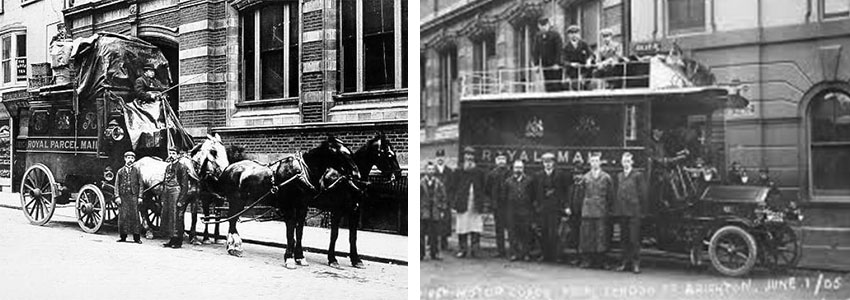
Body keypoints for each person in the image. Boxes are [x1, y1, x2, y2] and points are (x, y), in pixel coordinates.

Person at [531, 152, 571, 262]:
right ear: (543, 163)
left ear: (553, 163)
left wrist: (566, 206)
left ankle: (555, 255)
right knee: (543, 232)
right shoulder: (537, 176)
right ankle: (544, 254)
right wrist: (536, 206)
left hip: (556, 208)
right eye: (545, 162)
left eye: (550, 162)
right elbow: (534, 193)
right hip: (543, 209)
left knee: (554, 233)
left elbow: (564, 192)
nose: (548, 164)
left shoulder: (560, 175)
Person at [577, 153, 614, 269]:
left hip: (601, 210)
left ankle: (601, 261)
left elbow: (610, 195)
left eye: (596, 161)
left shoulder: (606, 177)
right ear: (590, 163)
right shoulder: (585, 178)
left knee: (601, 236)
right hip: (587, 210)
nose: (594, 163)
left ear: (600, 162)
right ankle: (587, 260)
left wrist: (608, 209)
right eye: (592, 161)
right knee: (587, 236)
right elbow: (580, 195)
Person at [452, 147, 489, 258]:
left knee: (475, 227)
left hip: (475, 203)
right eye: (467, 156)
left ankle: (475, 250)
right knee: (462, 227)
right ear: (464, 157)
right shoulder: (458, 171)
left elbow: (484, 187)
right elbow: (453, 187)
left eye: (471, 156)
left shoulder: (479, 172)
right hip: (463, 203)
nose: (469, 158)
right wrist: (454, 202)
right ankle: (462, 250)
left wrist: (483, 203)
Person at [612, 152, 644, 273]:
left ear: (632, 162)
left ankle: (636, 264)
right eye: (624, 161)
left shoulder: (637, 175)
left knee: (634, 238)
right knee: (624, 238)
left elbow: (642, 194)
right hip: (622, 211)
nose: (626, 163)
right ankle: (625, 262)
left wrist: (640, 210)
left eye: (628, 161)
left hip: (634, 212)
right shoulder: (619, 176)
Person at [504, 160, 533, 261]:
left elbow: (532, 196)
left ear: (523, 168)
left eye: (520, 168)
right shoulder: (508, 181)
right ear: (513, 168)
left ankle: (526, 253)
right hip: (512, 211)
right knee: (512, 233)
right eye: (516, 168)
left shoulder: (529, 181)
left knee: (525, 232)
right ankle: (514, 253)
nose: (518, 170)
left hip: (525, 210)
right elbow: (504, 197)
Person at [161, 147, 189, 248]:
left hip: (176, 192)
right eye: (170, 153)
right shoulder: (168, 167)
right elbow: (165, 181)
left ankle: (178, 241)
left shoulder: (182, 167)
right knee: (169, 216)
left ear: (178, 155)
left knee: (177, 217)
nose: (171, 155)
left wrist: (181, 200)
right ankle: (171, 239)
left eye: (173, 153)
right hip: (168, 192)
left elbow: (185, 185)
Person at [485, 153, 511, 258]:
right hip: (498, 205)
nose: (501, 161)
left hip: (509, 205)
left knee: (511, 228)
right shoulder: (491, 174)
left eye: (503, 159)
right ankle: (501, 251)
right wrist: (492, 201)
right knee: (499, 229)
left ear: (506, 161)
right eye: (499, 159)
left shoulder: (511, 173)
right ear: (496, 161)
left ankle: (512, 250)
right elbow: (487, 189)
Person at [115, 151, 142, 244]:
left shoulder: (137, 171)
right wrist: (117, 196)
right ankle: (123, 236)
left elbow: (141, 185)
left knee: (135, 216)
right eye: (128, 158)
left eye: (132, 158)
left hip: (133, 196)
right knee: (123, 216)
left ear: (134, 160)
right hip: (123, 196)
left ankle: (137, 237)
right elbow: (117, 185)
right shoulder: (120, 171)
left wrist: (140, 197)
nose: (130, 160)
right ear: (125, 159)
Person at [421, 162, 447, 261]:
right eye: (429, 169)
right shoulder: (420, 183)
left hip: (435, 211)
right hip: (423, 212)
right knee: (421, 234)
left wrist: (442, 209)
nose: (431, 171)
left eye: (432, 169)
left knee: (434, 234)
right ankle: (421, 254)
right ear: (425, 171)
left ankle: (434, 253)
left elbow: (443, 197)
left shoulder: (439, 183)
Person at [532, 18, 564, 92]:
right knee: (548, 84)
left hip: (555, 64)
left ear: (548, 25)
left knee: (556, 84)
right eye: (541, 26)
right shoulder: (538, 37)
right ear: (538, 26)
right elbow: (536, 51)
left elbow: (559, 50)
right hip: (545, 64)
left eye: (545, 25)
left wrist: (557, 63)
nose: (543, 28)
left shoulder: (555, 35)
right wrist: (536, 64)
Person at [562, 25, 594, 90]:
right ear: (568, 35)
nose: (574, 35)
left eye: (576, 33)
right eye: (572, 33)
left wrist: (589, 60)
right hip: (572, 72)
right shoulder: (566, 47)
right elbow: (563, 60)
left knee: (589, 87)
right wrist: (571, 64)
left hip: (584, 71)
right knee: (574, 86)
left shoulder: (584, 44)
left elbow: (591, 54)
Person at [434, 149, 454, 251]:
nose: (440, 159)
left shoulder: (449, 172)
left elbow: (452, 188)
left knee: (445, 222)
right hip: (434, 201)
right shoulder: (432, 171)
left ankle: (444, 242)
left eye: (442, 157)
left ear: (445, 159)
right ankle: (432, 242)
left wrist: (449, 200)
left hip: (446, 201)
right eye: (438, 157)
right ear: (436, 159)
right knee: (433, 221)